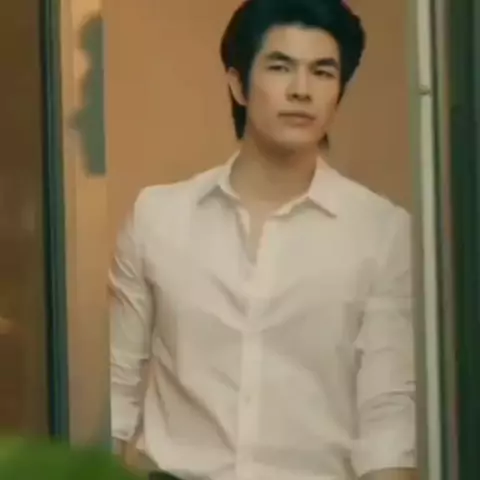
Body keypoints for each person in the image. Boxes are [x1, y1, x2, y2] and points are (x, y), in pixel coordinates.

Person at [110, 0, 416, 479]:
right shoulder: (159, 217)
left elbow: (388, 419)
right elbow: (117, 393)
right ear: (238, 84)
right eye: (280, 67)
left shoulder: (381, 230)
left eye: (322, 72)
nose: (301, 90)